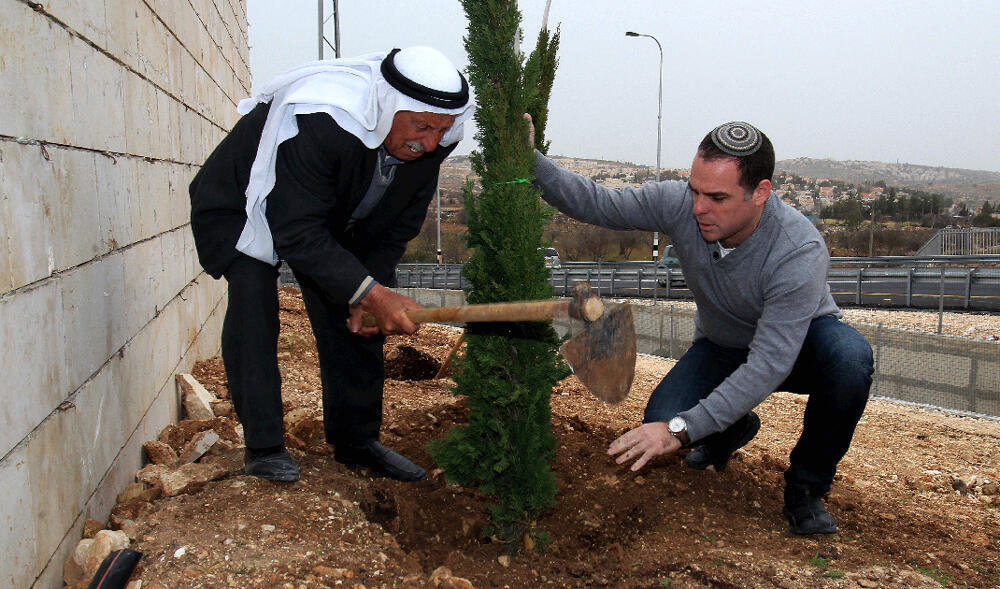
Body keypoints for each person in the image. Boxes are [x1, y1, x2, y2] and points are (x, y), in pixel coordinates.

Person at [529, 118, 873, 535]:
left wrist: (682, 429)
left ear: (760, 192)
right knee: (661, 417)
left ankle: (806, 489)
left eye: (717, 197)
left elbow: (769, 362)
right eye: (695, 190)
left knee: (849, 359)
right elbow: (599, 203)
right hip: (722, 347)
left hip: (800, 349)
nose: (698, 208)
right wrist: (529, 158)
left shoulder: (797, 249)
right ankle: (730, 427)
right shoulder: (681, 204)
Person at [190, 47, 473, 483]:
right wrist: (370, 292)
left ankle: (356, 442)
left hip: (327, 213)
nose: (431, 142)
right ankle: (264, 447)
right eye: (421, 126)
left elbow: (393, 229)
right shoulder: (324, 121)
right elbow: (296, 231)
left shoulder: (433, 142)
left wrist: (368, 294)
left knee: (359, 320)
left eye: (442, 129)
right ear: (389, 108)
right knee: (252, 301)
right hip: (243, 203)